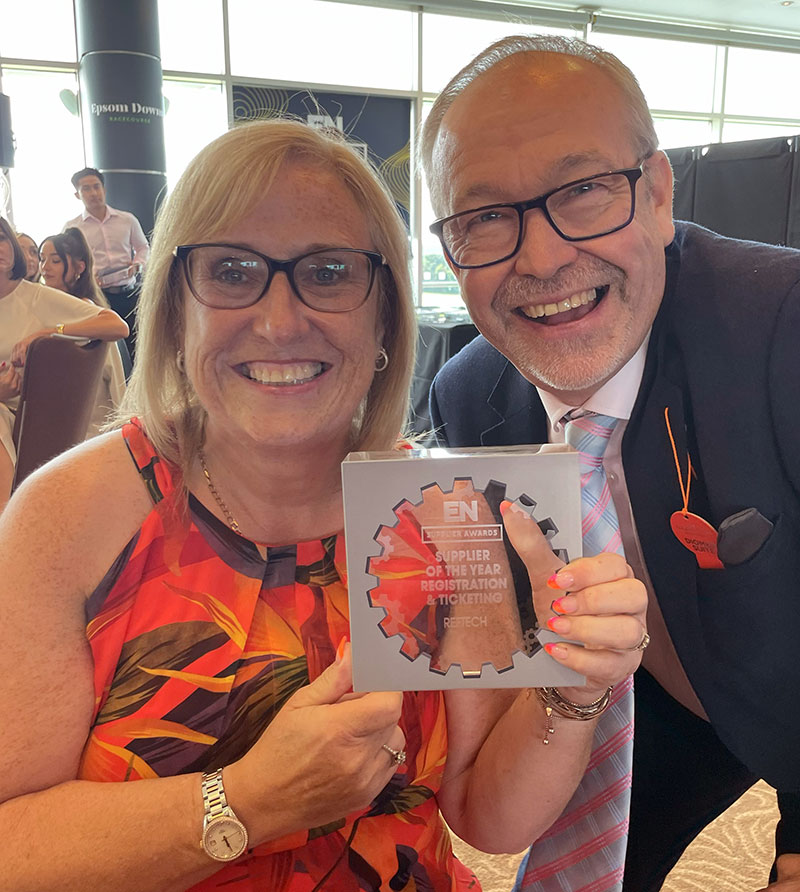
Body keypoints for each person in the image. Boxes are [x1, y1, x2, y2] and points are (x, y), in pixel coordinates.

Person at [0, 119, 648, 891]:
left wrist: (569, 691)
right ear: (176, 311)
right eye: (232, 271)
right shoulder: (68, 517)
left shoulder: (436, 513)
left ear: (385, 319)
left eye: (330, 271)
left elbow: (486, 816)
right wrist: (247, 802)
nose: (280, 322)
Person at [420, 33, 800, 892]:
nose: (543, 258)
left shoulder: (784, 330)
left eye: (584, 191)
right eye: (486, 217)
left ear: (658, 195)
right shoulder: (467, 401)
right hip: (654, 698)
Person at [0, 217, 128, 510]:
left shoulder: (34, 297)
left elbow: (115, 325)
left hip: (34, 424)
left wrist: (47, 332)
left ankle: (7, 513)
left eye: (1, 238)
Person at [39, 227, 127, 435]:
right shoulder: (40, 305)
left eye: (55, 260)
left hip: (90, 418)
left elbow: (118, 330)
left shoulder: (87, 309)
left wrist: (55, 330)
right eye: (42, 259)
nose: (45, 267)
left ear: (79, 267)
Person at [65, 165, 149, 358]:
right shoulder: (73, 228)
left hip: (129, 293)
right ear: (77, 195)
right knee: (108, 352)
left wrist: (138, 263)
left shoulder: (127, 219)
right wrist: (85, 275)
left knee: (138, 347)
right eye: (86, 189)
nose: (93, 193)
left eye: (96, 186)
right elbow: (69, 261)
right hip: (97, 297)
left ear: (104, 188)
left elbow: (143, 247)